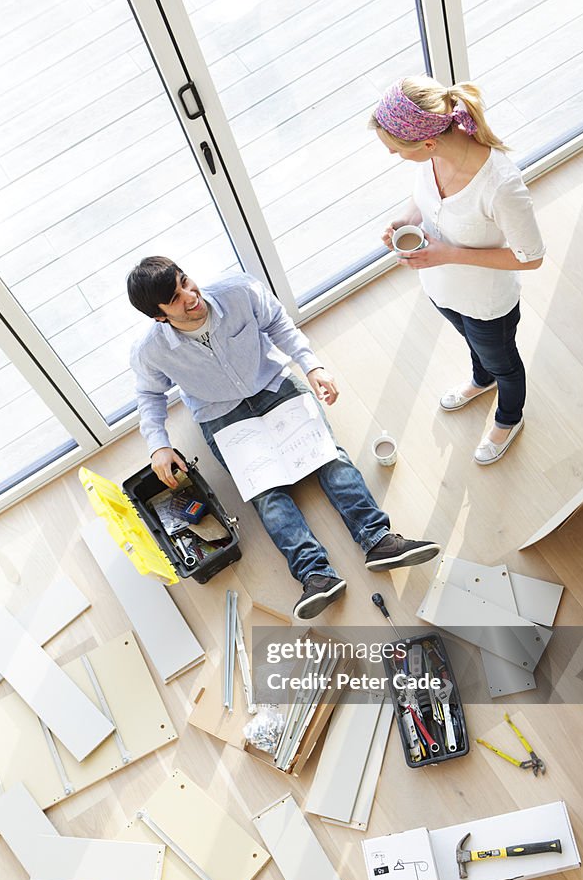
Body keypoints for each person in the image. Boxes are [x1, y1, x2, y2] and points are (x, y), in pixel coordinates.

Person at [127, 257, 440, 619]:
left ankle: (379, 541)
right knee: (265, 491)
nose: (189, 295)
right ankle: (316, 576)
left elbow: (278, 323)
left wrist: (312, 365)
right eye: (174, 297)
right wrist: (159, 445)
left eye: (184, 281)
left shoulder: (238, 291)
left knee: (327, 456)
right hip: (220, 412)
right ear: (160, 316)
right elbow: (149, 396)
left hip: (273, 383)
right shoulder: (150, 350)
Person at [371, 77, 545, 464]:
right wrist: (405, 218)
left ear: (428, 142)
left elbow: (531, 257)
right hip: (441, 288)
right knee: (474, 346)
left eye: (395, 150)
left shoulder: (501, 187)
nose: (391, 155)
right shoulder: (433, 155)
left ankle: (509, 417)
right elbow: (428, 201)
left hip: (485, 301)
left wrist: (448, 253)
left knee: (505, 363)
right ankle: (482, 381)